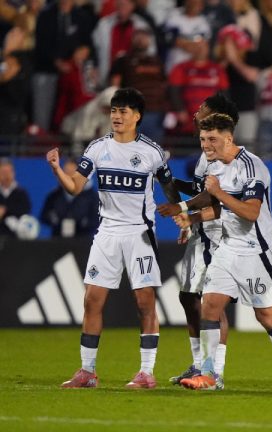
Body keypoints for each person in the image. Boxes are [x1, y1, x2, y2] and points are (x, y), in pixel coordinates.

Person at [49, 87, 179, 389]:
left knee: (144, 302)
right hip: (107, 233)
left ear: (137, 116)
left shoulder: (152, 152)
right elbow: (75, 187)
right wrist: (56, 168)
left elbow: (170, 188)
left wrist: (181, 213)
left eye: (123, 111)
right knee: (92, 300)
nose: (117, 116)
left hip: (139, 234)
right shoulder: (97, 148)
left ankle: (146, 372)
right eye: (113, 111)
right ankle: (88, 371)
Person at [159, 113, 272, 391]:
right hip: (227, 247)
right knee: (209, 305)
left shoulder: (252, 167)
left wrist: (218, 192)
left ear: (229, 138)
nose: (206, 145)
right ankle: (211, 375)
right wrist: (191, 216)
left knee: (266, 316)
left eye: (212, 139)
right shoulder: (215, 166)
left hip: (254, 252)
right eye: (202, 139)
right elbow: (220, 207)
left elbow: (250, 212)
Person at [166, 92, 240, 390]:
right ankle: (198, 364)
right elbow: (199, 188)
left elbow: (214, 197)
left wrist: (185, 210)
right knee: (188, 297)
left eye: (203, 109)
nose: (197, 111)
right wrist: (167, 180)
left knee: (213, 302)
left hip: (218, 234)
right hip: (200, 234)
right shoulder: (205, 150)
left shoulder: (224, 154)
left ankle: (214, 371)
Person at [40, 158, 99, 237]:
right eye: (66, 173)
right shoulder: (54, 195)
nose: (69, 176)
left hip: (83, 241)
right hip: (58, 240)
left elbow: (96, 218)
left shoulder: (92, 196)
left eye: (72, 173)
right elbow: (44, 216)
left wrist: (80, 224)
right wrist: (57, 222)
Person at [0, 158, 32, 238]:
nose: (6, 175)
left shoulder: (21, 193)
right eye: (3, 172)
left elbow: (26, 210)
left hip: (16, 238)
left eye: (8, 172)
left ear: (13, 173)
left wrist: (5, 210)